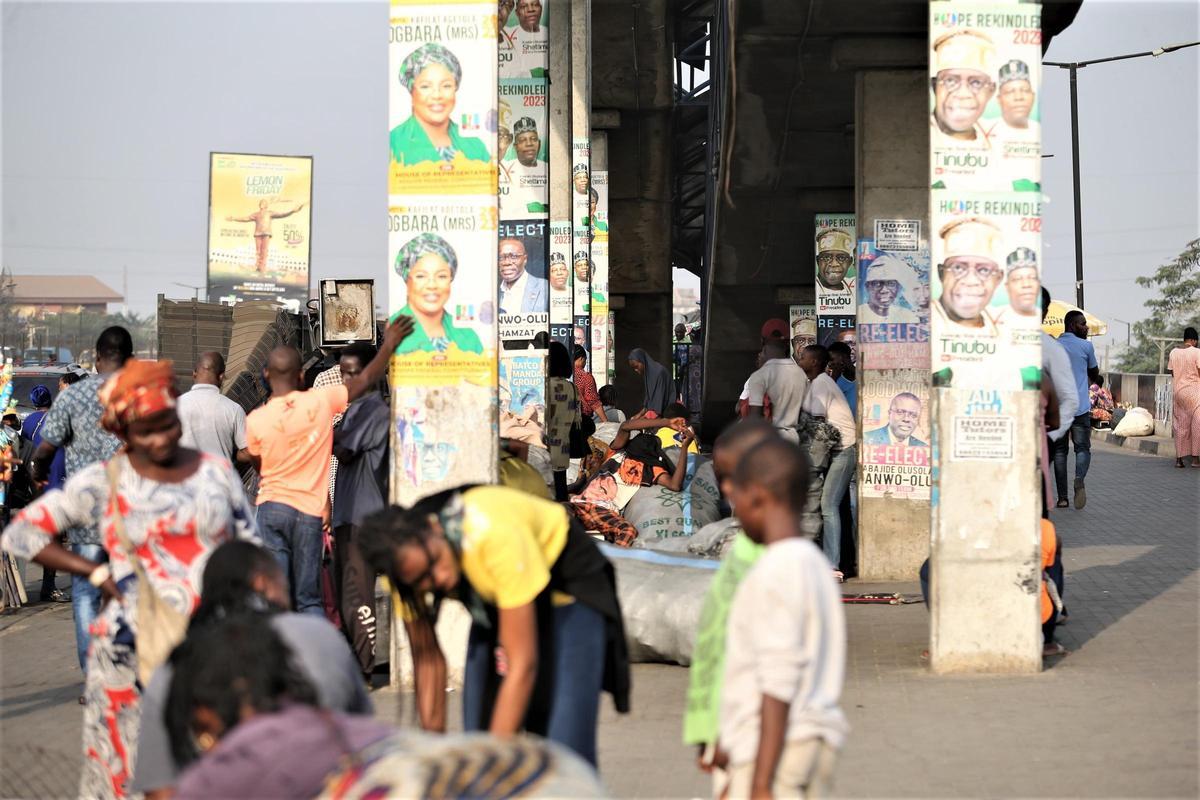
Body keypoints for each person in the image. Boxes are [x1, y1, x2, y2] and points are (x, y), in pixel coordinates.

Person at [1, 359, 258, 800]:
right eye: (146, 430)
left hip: (206, 653)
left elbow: (250, 547)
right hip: (126, 659)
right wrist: (95, 571)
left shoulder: (214, 474)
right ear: (123, 433)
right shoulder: (106, 482)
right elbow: (23, 533)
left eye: (167, 424)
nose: (161, 439)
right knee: (125, 779)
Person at [357, 485, 631, 766]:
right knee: (479, 732)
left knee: (564, 749)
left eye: (435, 563)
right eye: (420, 581)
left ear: (435, 528)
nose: (437, 580)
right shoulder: (402, 573)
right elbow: (428, 660)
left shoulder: (492, 531)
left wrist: (491, 770)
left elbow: (522, 664)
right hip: (498, 601)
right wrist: (434, 761)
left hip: (569, 594)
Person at [132, 540, 372, 798]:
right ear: (262, 583)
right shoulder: (320, 636)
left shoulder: (173, 670)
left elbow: (160, 790)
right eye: (283, 585)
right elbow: (364, 743)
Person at [246, 316, 413, 615]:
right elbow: (364, 380)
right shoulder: (320, 402)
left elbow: (259, 464)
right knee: (310, 597)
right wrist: (388, 345)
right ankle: (318, 655)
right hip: (309, 511)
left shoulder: (255, 420)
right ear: (300, 377)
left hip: (271, 507)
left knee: (277, 594)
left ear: (266, 375)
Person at [718, 437, 847, 799]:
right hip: (810, 739)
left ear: (757, 495)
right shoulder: (814, 564)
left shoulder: (776, 569)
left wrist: (761, 782)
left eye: (736, 498)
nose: (735, 509)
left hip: (776, 748)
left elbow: (778, 678)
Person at [31, 327, 132, 675]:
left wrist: (39, 472)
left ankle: (94, 678)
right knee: (129, 589)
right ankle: (126, 672)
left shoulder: (72, 397)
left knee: (86, 593)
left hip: (87, 515)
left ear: (96, 357)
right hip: (130, 514)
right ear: (130, 358)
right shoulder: (141, 395)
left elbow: (45, 447)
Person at [685, 421, 776, 788]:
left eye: (731, 478)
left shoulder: (777, 565)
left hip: (750, 734)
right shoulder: (740, 553)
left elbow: (777, 671)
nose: (724, 490)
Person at [331, 342, 391, 675]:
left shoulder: (373, 411)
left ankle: (365, 669)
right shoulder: (355, 408)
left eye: (354, 372)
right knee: (347, 596)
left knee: (358, 597)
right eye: (343, 372)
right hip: (347, 513)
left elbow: (344, 448)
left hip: (362, 516)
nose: (347, 379)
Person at [798, 345, 857, 581]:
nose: (799, 360)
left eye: (803, 357)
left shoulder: (821, 384)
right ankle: (836, 560)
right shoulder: (818, 383)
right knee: (834, 507)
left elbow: (818, 427)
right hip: (836, 451)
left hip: (843, 450)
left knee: (828, 505)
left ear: (814, 362)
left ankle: (833, 566)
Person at [390, 43, 489, 166]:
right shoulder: (392, 145)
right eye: (425, 86)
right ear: (412, 91)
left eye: (446, 86)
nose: (437, 95)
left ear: (455, 88)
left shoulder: (475, 146)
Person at [392, 232, 484, 354]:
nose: (432, 285)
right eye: (421, 276)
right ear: (407, 280)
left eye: (441, 276)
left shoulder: (467, 337)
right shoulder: (395, 333)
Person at [18, 385, 67, 602]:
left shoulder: (28, 422)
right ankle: (48, 586)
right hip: (59, 483)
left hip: (36, 485)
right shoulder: (62, 419)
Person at [1052, 310, 1100, 509]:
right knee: (1082, 449)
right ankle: (1079, 479)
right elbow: (1095, 373)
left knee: (1060, 452)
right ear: (1072, 325)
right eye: (1082, 324)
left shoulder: (1053, 346)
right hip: (1079, 407)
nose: (1086, 327)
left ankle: (1062, 498)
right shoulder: (1086, 346)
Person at [176, 352, 251, 464]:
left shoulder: (175, 405)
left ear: (194, 374)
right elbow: (249, 453)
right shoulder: (234, 409)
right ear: (221, 377)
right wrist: (231, 453)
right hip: (220, 479)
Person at [929, 30, 996, 146]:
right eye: (950, 81)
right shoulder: (919, 133)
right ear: (935, 86)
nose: (962, 94)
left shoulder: (1000, 135)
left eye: (976, 82)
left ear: (990, 91)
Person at [744, 339, 809, 442]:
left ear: (765, 351)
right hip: (793, 437)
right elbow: (805, 408)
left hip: (770, 438)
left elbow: (755, 415)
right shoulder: (800, 373)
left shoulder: (759, 376)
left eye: (761, 352)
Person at [225, 199, 306, 273]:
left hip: (266, 233)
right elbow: (245, 218)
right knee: (258, 251)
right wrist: (234, 218)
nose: (261, 204)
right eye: (260, 203)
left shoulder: (270, 213)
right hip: (257, 233)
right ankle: (257, 267)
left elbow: (282, 214)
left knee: (264, 251)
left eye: (263, 203)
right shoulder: (256, 214)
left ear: (266, 205)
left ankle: (262, 268)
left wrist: (292, 211)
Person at [545, 342, 580, 501]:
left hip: (545, 449)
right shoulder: (571, 387)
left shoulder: (545, 387)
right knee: (560, 493)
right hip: (563, 449)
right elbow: (576, 419)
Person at [1168, 326, 1200, 468]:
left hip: (1179, 392)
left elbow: (1172, 373)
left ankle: (1179, 460)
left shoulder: (1174, 352)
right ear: (1193, 340)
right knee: (1197, 423)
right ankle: (1195, 459)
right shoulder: (1196, 352)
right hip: (1194, 392)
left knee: (1180, 424)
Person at [502, 117, 548, 215]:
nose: (529, 144)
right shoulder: (505, 169)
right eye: (523, 140)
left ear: (539, 144)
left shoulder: (548, 169)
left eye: (533, 139)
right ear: (515, 146)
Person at [859, 254, 918, 324]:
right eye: (877, 284)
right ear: (867, 287)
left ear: (898, 288)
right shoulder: (859, 315)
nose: (884, 290)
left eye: (891, 283)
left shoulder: (908, 317)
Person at [499, 236, 548, 313]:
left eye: (514, 256)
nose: (507, 262)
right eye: (501, 257)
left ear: (525, 259)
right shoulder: (490, 291)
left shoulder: (545, 288)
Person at [628, 347, 675, 416]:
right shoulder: (649, 375)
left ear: (642, 361)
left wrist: (640, 420)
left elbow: (658, 405)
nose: (635, 370)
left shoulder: (658, 373)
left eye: (636, 366)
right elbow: (649, 402)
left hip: (668, 414)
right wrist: (638, 415)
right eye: (634, 368)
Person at [815, 229, 855, 307]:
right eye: (826, 257)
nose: (834, 264)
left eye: (841, 258)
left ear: (849, 263)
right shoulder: (814, 288)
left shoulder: (853, 287)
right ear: (818, 261)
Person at [574, 344, 608, 423]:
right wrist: (605, 422)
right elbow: (593, 401)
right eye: (585, 360)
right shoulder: (586, 377)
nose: (585, 363)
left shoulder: (562, 375)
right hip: (581, 419)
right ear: (581, 358)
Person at [827, 341, 856, 419]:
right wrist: (834, 377)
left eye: (832, 359)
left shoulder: (864, 377)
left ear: (843, 357)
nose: (829, 363)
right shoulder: (834, 379)